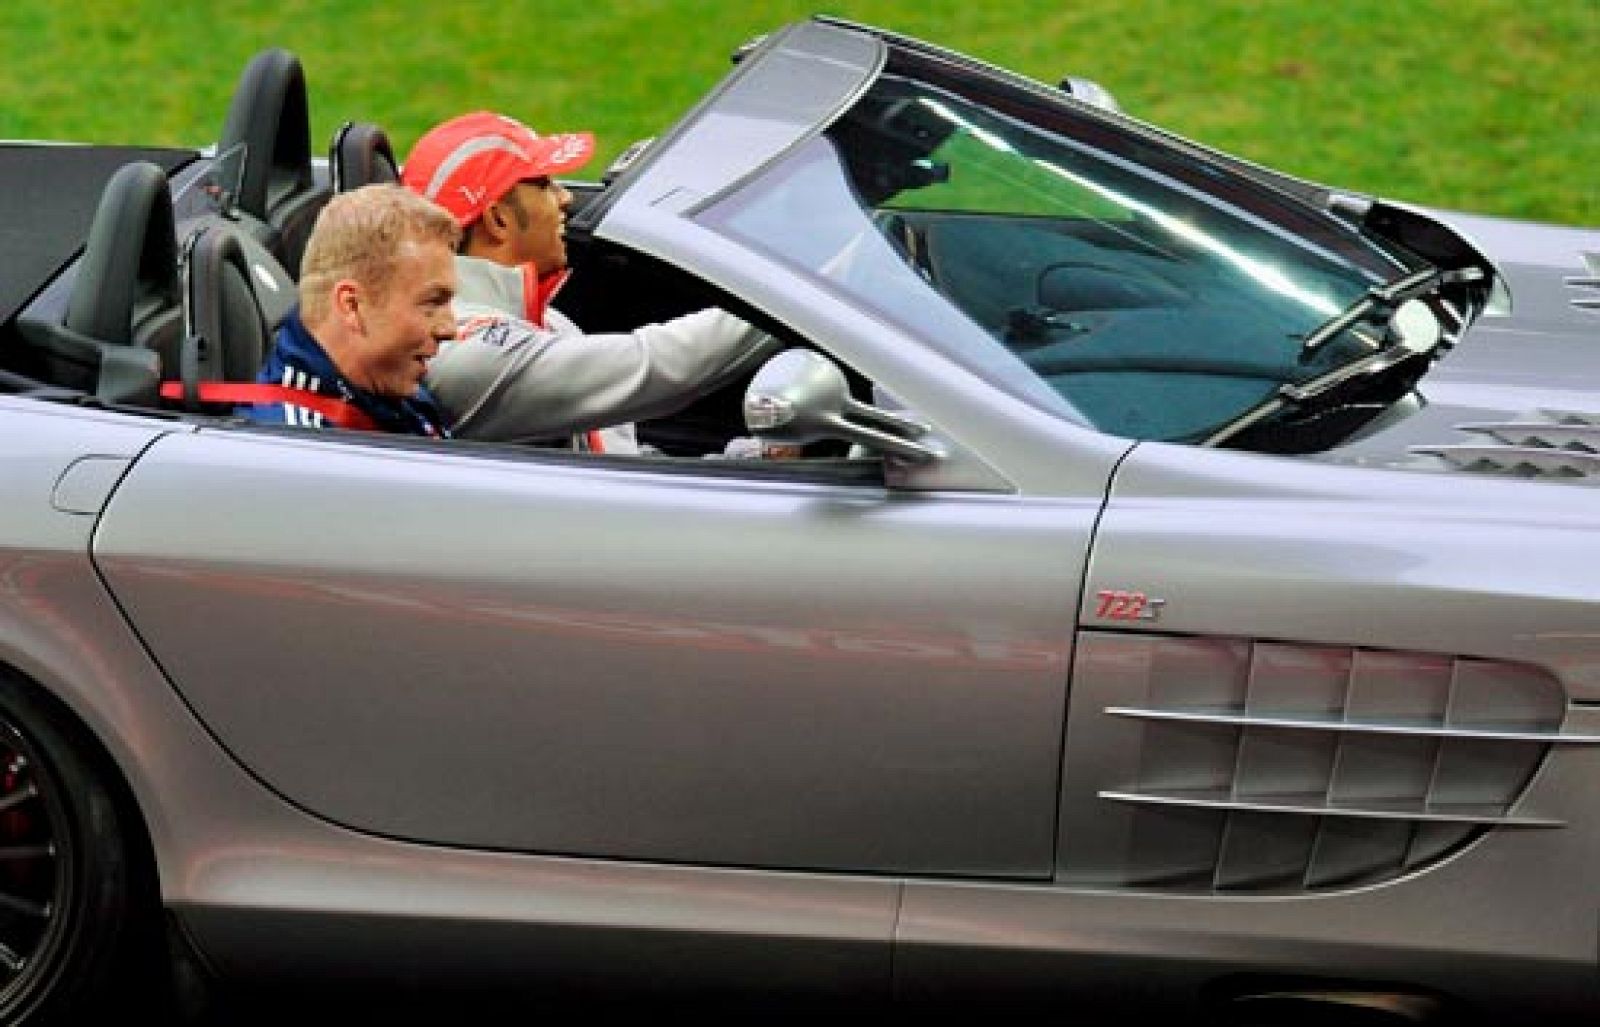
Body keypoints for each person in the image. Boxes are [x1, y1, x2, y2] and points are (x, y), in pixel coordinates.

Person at [400, 111, 779, 453]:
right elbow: (658, 366)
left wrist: (753, 459)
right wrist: (796, 295)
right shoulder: (461, 351)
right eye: (545, 184)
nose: (564, 198)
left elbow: (621, 462)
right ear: (498, 220)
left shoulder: (547, 322)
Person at [235, 184, 461, 435]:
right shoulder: (296, 447)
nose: (450, 329)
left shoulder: (393, 391)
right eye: (432, 302)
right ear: (351, 305)